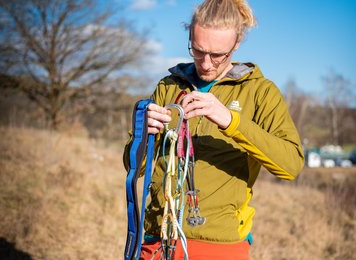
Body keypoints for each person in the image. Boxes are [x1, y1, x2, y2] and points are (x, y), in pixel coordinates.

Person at [124, 0, 304, 259]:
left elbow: (291, 165)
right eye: (197, 51)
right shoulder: (168, 86)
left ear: (237, 42)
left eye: (218, 55)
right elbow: (133, 167)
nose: (206, 64)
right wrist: (143, 136)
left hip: (220, 246)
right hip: (157, 240)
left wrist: (231, 121)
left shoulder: (261, 92)